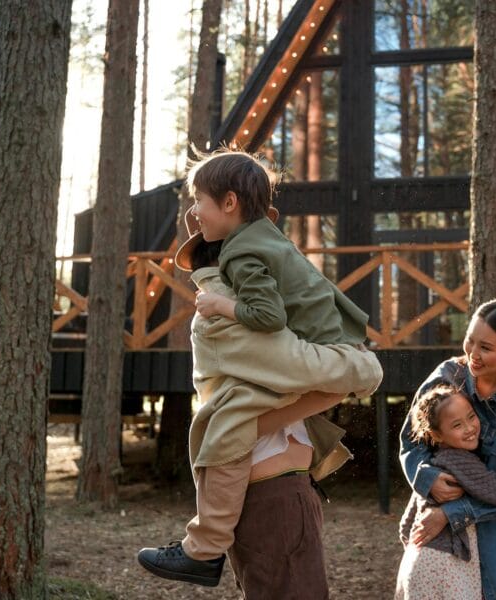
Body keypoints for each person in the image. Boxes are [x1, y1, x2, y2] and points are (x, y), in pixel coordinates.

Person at [138, 161, 381, 596]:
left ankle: (204, 548)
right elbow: (303, 374)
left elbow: (296, 361)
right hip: (272, 490)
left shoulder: (238, 281)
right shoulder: (235, 298)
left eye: (200, 206)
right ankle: (204, 547)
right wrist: (357, 370)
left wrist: (356, 370)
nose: (196, 213)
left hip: (279, 492)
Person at [399, 298, 496, 600]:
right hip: (442, 539)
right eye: (470, 341)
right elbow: (410, 441)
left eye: (486, 347)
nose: (472, 354)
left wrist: (452, 512)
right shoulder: (446, 376)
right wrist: (426, 479)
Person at [395, 384, 496, 600]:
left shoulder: (431, 467)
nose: (470, 428)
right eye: (457, 425)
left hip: (415, 566)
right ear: (436, 435)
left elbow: (405, 527)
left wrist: (418, 551)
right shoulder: (462, 462)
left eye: (472, 417)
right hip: (445, 568)